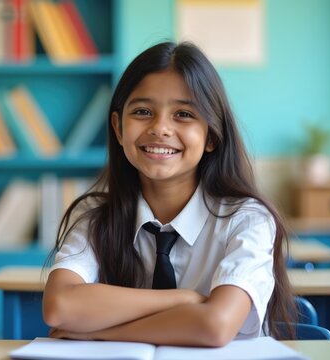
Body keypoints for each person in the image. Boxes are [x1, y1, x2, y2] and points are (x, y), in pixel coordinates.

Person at [42, 41, 297, 347]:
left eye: (184, 114)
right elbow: (60, 306)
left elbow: (214, 326)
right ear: (119, 128)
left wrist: (99, 331)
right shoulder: (96, 216)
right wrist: (183, 300)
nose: (160, 128)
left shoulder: (246, 220)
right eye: (143, 111)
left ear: (212, 135)